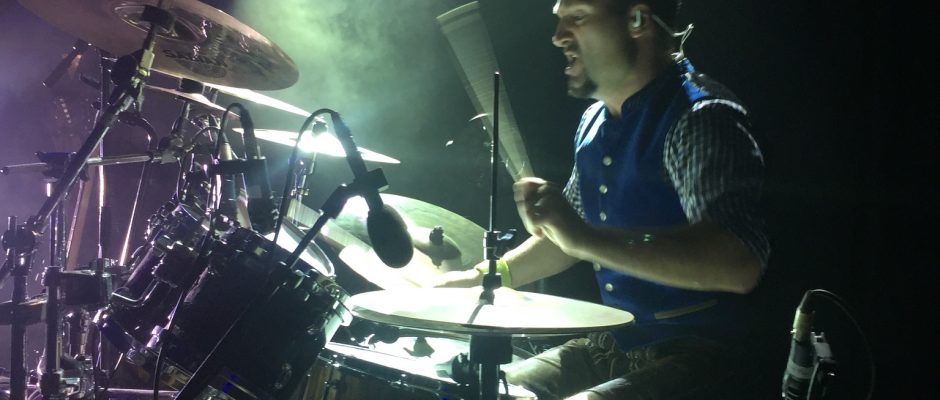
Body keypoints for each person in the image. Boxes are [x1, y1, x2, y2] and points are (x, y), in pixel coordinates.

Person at [433, 0, 770, 399]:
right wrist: (484, 278)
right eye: (559, 20)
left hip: (703, 354)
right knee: (479, 392)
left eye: (577, 17)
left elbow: (738, 262)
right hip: (615, 342)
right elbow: (565, 239)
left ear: (637, 20)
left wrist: (585, 238)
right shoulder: (594, 122)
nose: (558, 37)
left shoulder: (699, 117)